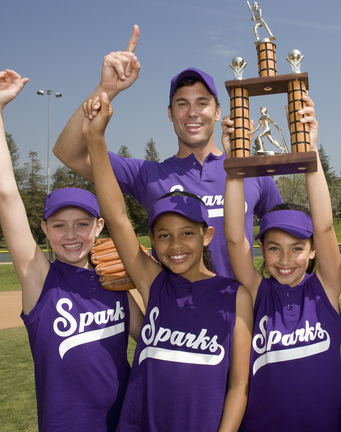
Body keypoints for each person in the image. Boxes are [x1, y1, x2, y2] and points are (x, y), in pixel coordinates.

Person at [0, 69, 143, 432]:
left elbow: (151, 338)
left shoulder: (113, 282)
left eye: (82, 224)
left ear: (99, 227)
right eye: (59, 225)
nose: (71, 234)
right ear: (44, 230)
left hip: (127, 422)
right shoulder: (39, 279)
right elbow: (6, 194)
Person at [80, 90, 254, 432]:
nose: (175, 244)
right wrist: (95, 138)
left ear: (206, 235)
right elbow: (115, 215)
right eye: (163, 234)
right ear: (152, 241)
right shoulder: (153, 281)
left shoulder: (235, 296)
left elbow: (238, 385)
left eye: (187, 233)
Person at [52, 25, 283, 279]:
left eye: (202, 103)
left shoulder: (251, 172)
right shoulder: (148, 175)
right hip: (173, 314)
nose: (192, 113)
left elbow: (283, 236)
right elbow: (67, 151)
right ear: (170, 114)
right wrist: (106, 89)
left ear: (217, 112)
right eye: (182, 104)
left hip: (242, 313)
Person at [222, 94, 341, 431]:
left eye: (297, 248)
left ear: (313, 250)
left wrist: (311, 151)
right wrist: (236, 163)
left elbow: (324, 225)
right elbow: (234, 237)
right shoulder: (258, 292)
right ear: (261, 249)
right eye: (274, 248)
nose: (286, 259)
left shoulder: (326, 288)